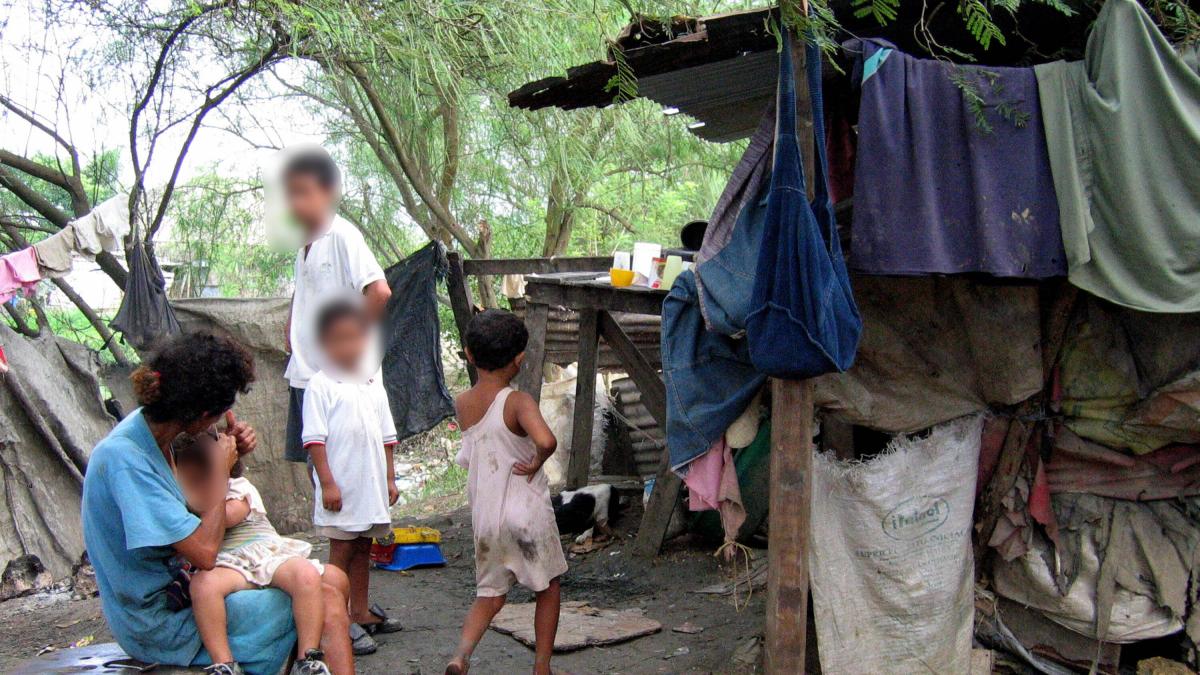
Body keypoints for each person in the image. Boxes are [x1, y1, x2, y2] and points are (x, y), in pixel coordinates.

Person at [81, 332, 354, 675]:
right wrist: (221, 472)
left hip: (183, 593)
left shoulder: (156, 436)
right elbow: (204, 553)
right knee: (326, 597)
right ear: (202, 414)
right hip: (161, 621)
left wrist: (234, 457)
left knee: (332, 579)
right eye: (219, 415)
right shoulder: (126, 459)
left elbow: (194, 502)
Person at [446, 309, 568, 675]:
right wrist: (536, 461)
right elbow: (546, 440)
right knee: (548, 586)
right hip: (527, 515)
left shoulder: (463, 403)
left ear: (469, 355)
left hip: (487, 519)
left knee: (489, 595)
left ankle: (460, 656)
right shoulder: (518, 402)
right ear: (519, 359)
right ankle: (542, 666)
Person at [173, 431, 333, 675]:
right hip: (230, 563)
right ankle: (223, 663)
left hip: (266, 555)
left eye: (201, 479)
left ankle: (307, 658)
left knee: (306, 575)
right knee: (203, 586)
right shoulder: (180, 500)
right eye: (189, 482)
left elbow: (226, 517)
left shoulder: (238, 488)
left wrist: (199, 497)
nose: (195, 488)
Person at [302, 300, 402, 654]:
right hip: (341, 489)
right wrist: (327, 483)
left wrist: (390, 479)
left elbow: (387, 437)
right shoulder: (320, 385)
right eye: (338, 339)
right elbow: (314, 440)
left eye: (354, 337)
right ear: (324, 344)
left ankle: (359, 611)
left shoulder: (372, 382)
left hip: (369, 486)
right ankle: (337, 619)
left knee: (364, 547)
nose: (347, 346)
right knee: (342, 551)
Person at [282, 146, 391, 467]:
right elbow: (306, 291)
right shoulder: (305, 243)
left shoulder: (342, 235)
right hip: (307, 373)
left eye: (304, 192)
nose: (295, 202)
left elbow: (379, 291)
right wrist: (290, 327)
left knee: (347, 468)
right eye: (291, 194)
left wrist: (349, 346)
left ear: (328, 192)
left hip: (341, 381)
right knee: (316, 466)